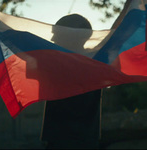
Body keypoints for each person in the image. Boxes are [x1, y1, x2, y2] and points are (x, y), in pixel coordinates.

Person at [40, 14, 102, 149]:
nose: (52, 38)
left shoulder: (54, 63)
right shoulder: (97, 61)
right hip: (84, 140)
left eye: (57, 33)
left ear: (71, 36)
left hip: (65, 141)